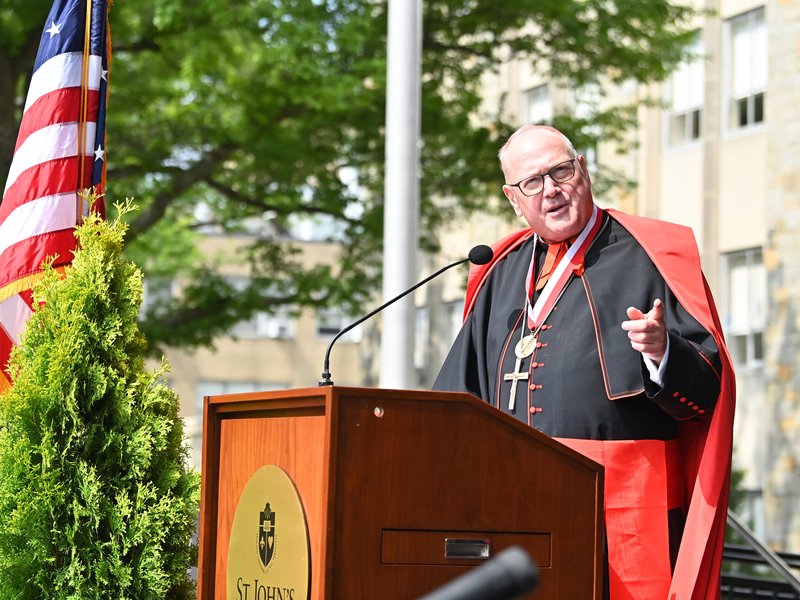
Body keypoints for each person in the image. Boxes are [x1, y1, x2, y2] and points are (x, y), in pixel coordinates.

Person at [433, 125, 735, 599]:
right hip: (515, 505)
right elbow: (454, 401)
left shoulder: (649, 254)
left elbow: (707, 392)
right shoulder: (501, 270)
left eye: (561, 171)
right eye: (532, 182)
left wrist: (663, 352)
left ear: (584, 170)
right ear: (514, 199)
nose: (551, 190)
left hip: (627, 508)